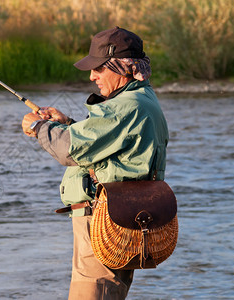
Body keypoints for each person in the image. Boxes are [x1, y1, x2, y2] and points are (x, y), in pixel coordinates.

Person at [21, 27, 169, 299]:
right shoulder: (143, 99)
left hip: (103, 227)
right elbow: (108, 146)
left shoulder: (125, 106)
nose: (92, 76)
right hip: (117, 224)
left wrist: (40, 127)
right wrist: (66, 124)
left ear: (123, 68)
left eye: (99, 68)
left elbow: (68, 149)